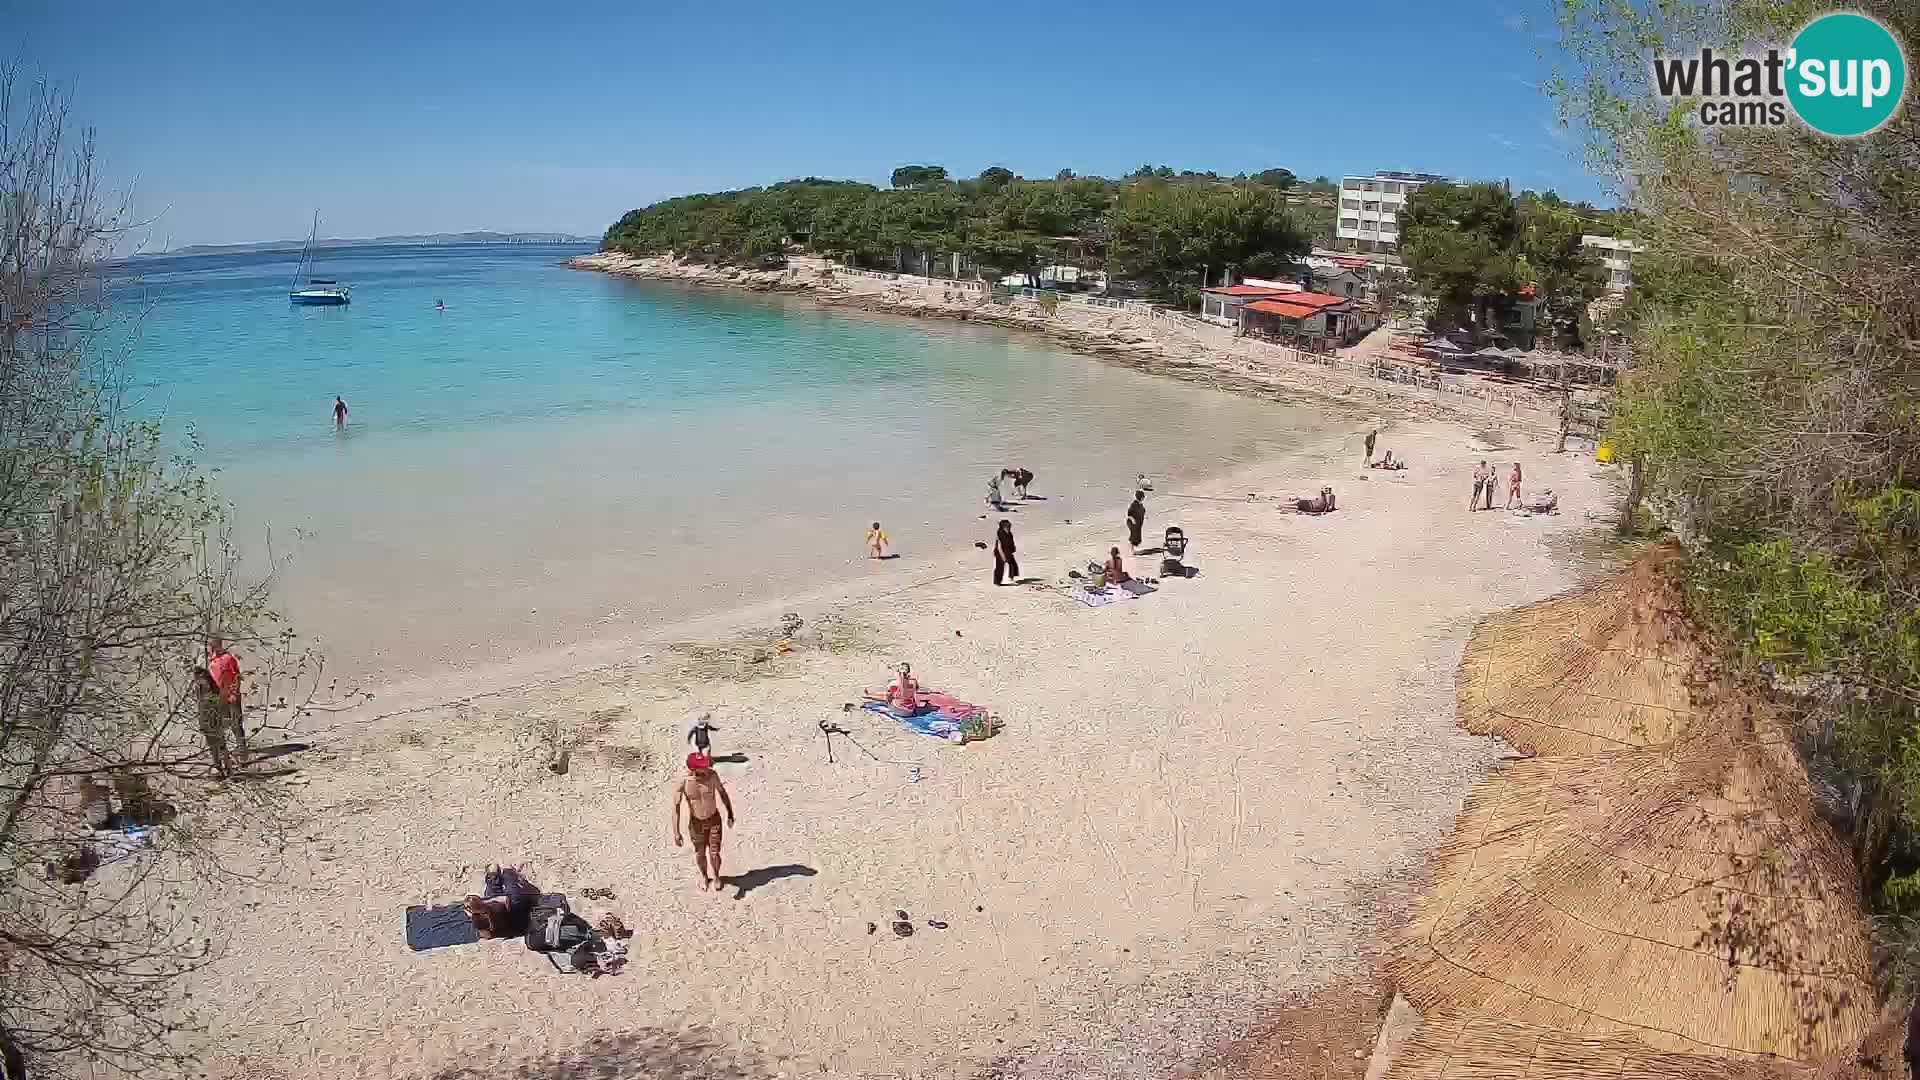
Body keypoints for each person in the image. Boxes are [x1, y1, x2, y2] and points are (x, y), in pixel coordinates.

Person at [672, 753, 735, 892]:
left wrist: (730, 813)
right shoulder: (684, 781)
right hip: (696, 823)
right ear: (693, 769)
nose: (707, 768)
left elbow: (722, 793)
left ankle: (717, 876)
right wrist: (676, 832)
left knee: (714, 853)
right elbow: (676, 807)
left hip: (714, 819)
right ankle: (704, 876)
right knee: (700, 853)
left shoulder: (712, 776)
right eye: (702, 767)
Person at [464, 865, 542, 938]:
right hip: (520, 920)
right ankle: (506, 871)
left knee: (491, 891)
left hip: (511, 924)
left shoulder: (480, 920)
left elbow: (486, 935)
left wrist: (476, 912)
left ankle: (495, 875)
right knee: (513, 894)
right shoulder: (502, 906)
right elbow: (506, 899)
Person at [205, 639, 245, 755]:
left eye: (213, 645)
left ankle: (241, 748)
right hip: (219, 697)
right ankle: (222, 749)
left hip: (230, 695)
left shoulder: (228, 659)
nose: (211, 648)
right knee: (221, 723)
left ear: (219, 645)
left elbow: (236, 677)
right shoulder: (212, 662)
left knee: (236, 722)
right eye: (210, 645)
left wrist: (234, 693)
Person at [192, 666, 233, 776]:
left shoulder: (214, 690)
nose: (198, 679)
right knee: (211, 744)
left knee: (220, 743)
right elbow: (199, 705)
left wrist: (224, 717)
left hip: (215, 718)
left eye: (200, 676)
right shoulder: (197, 688)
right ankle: (218, 767)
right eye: (197, 677)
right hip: (205, 718)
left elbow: (221, 703)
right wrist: (201, 721)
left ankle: (228, 766)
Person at [993, 519, 1019, 585]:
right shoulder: (1000, 534)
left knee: (1013, 564)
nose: (1009, 527)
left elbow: (1011, 542)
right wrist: (1003, 557)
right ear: (1003, 526)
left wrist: (1013, 548)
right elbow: (999, 546)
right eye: (1007, 526)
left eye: (1009, 525)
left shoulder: (1009, 534)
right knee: (1000, 567)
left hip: (1008, 552)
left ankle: (1011, 578)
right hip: (1000, 553)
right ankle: (997, 582)